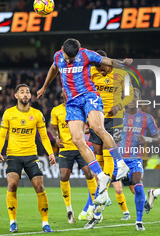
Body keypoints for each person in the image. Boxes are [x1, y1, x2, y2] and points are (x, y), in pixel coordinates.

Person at [37, 38, 131, 205]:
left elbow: (107, 61)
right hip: (72, 103)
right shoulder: (58, 57)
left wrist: (122, 63)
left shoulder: (87, 54)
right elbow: (53, 69)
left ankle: (121, 163)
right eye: (67, 58)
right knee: (77, 139)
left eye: (71, 59)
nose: (68, 61)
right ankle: (101, 177)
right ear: (62, 50)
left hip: (89, 97)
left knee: (97, 127)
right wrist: (44, 87)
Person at [85, 88, 160, 230]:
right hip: (116, 159)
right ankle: (95, 216)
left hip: (134, 159)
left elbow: (158, 138)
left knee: (138, 185)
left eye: (135, 97)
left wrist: (146, 138)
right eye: (129, 97)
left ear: (139, 99)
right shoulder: (116, 117)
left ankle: (139, 222)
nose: (132, 100)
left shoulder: (147, 118)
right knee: (102, 184)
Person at [0, 84, 56, 233]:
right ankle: (13, 222)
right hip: (13, 155)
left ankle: (45, 223)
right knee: (12, 185)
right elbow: (2, 135)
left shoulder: (37, 114)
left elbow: (43, 136)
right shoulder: (8, 114)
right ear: (16, 96)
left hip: (31, 156)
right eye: (22, 92)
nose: (25, 94)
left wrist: (50, 153)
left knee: (40, 187)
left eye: (27, 92)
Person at [88, 50, 134, 220]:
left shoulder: (123, 74)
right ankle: (101, 187)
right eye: (97, 67)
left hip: (115, 118)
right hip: (96, 116)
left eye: (102, 67)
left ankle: (102, 191)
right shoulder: (92, 72)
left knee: (108, 153)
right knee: (98, 153)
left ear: (108, 62)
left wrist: (119, 105)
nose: (100, 71)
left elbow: (129, 96)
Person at [50, 89, 97, 223]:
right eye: (65, 92)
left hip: (81, 146)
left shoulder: (80, 108)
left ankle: (94, 209)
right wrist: (56, 138)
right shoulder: (56, 110)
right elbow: (53, 128)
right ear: (62, 94)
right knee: (64, 176)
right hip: (65, 149)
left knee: (89, 174)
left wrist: (80, 130)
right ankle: (69, 210)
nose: (67, 94)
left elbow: (90, 125)